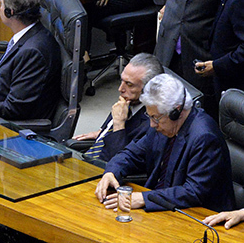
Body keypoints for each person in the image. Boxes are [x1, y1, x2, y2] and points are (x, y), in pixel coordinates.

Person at [95, 74, 234, 213]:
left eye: (155, 118)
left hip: (198, 216)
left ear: (176, 112)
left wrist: (144, 198)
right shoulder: (162, 124)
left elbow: (193, 192)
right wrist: (112, 172)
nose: (151, 124)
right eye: (149, 116)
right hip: (162, 205)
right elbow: (132, 153)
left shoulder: (204, 137)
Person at [72, 53, 163, 162]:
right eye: (122, 81)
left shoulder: (153, 122)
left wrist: (119, 125)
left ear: (149, 88)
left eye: (129, 84)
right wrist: (103, 132)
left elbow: (118, 162)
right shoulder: (128, 101)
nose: (120, 89)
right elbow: (106, 131)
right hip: (89, 160)